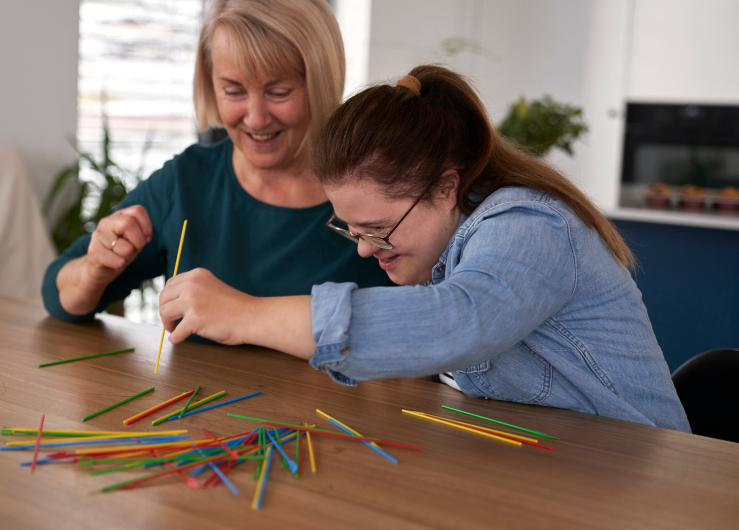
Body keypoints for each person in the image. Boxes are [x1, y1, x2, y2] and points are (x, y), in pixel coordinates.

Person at [157, 65, 691, 432]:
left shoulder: (530, 225)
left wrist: (244, 315)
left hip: (643, 483)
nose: (365, 251)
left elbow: (457, 323)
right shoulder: (442, 242)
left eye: (377, 228)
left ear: (444, 186)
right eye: (352, 230)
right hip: (555, 468)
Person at [42, 0, 390, 328]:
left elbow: (420, 328)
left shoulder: (378, 190)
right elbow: (59, 296)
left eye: (279, 92)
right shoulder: (186, 181)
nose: (255, 119)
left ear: (321, 80)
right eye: (233, 91)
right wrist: (95, 268)